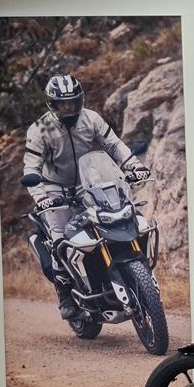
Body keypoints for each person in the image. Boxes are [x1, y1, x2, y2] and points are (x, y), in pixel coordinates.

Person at [23, 74, 150, 320]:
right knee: (60, 239)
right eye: (62, 104)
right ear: (52, 104)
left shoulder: (91, 118)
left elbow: (113, 145)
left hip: (87, 183)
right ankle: (65, 295)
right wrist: (41, 197)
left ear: (80, 99)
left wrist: (134, 165)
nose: (68, 107)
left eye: (73, 101)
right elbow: (31, 166)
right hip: (54, 188)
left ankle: (116, 272)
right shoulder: (40, 129)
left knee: (114, 219)